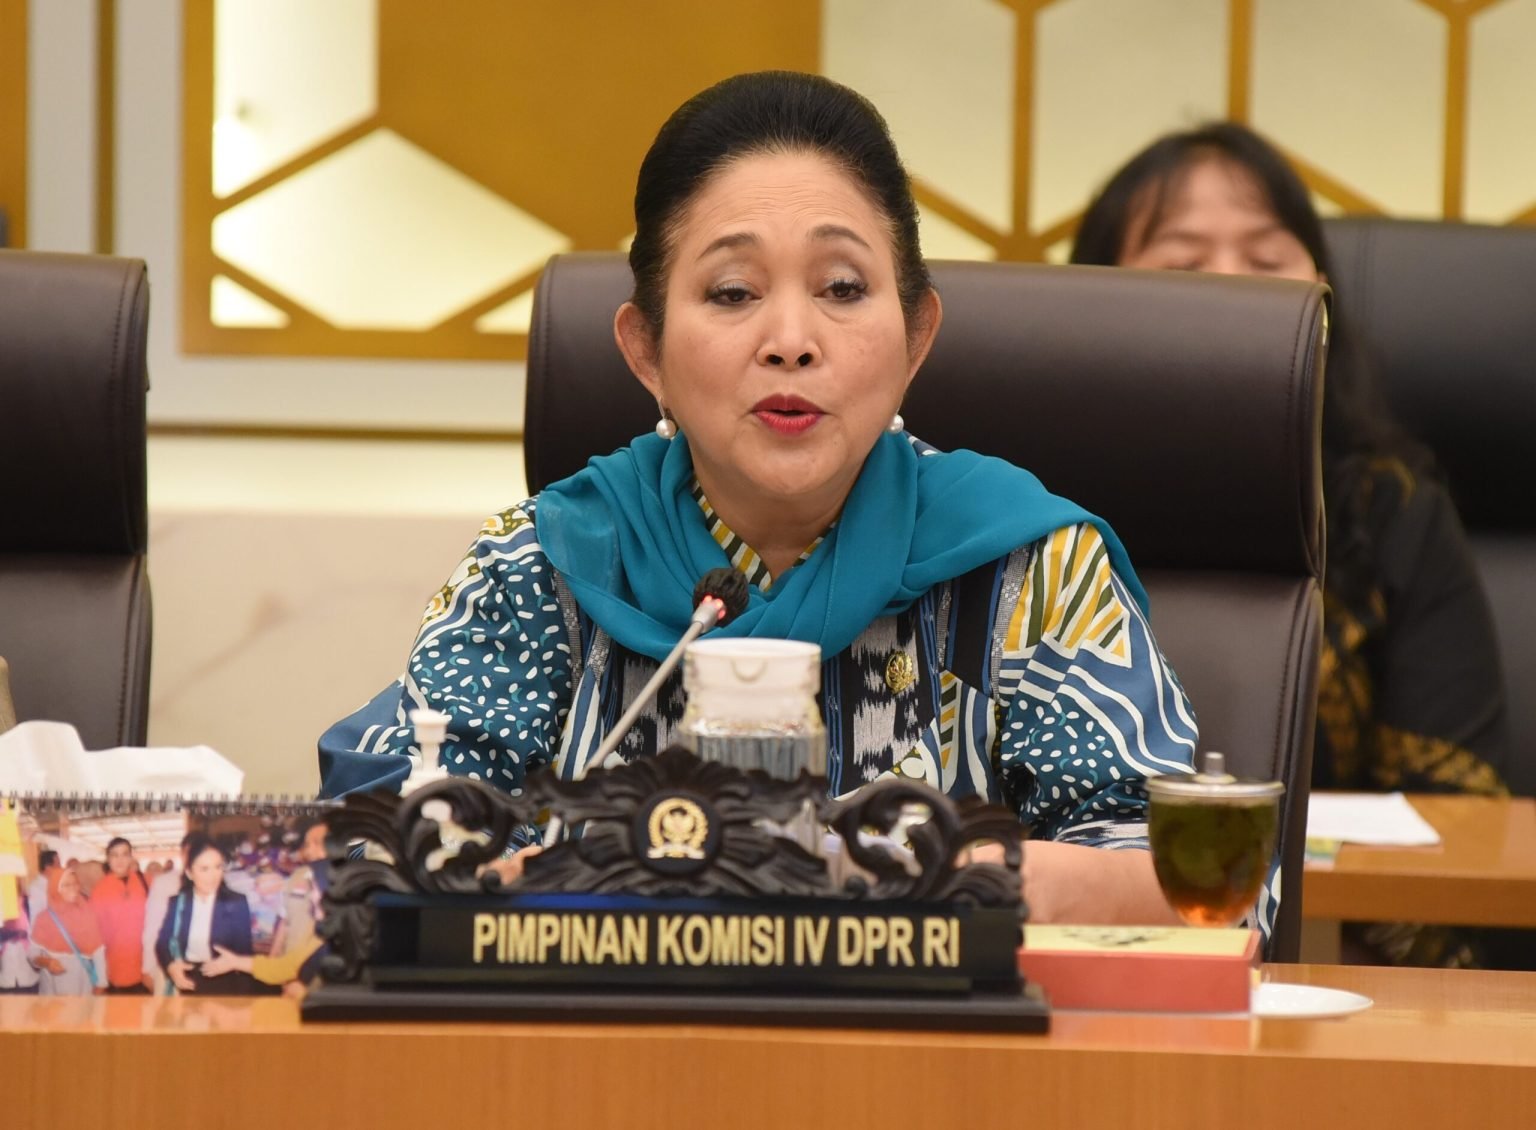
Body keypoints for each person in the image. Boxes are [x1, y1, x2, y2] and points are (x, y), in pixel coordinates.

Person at [320, 72, 1234, 937]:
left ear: (916, 338)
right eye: (733, 293)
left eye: (842, 289)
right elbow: (377, 844)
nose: (791, 340)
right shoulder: (547, 563)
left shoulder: (1027, 567)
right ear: (646, 352)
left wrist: (949, 885)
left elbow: (1189, 878)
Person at [1072, 122, 1512, 966]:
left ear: (1321, 297)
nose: (1234, 288)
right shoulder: (1024, 515)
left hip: (1343, 962)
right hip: (1071, 950)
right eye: (1185, 263)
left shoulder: (1391, 509)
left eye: (1267, 258)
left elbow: (1460, 812)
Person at [155, 835, 264, 996]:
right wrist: (171, 966)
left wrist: (241, 1004)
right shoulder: (178, 903)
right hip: (188, 982)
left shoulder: (236, 903)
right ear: (189, 873)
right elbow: (162, 943)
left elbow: (245, 956)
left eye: (218, 867)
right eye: (204, 869)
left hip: (226, 985)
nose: (213, 876)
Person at [27, 868, 106, 995]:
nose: (73, 888)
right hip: (52, 987)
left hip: (83, 984)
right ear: (55, 888)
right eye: (67, 885)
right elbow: (32, 955)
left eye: (75, 883)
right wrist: (47, 962)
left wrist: (101, 983)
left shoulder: (87, 914)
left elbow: (98, 951)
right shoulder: (44, 918)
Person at [90, 836, 150, 994]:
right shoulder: (99, 891)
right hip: (114, 967)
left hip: (144, 966)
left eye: (124, 854)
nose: (120, 860)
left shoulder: (144, 881)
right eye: (114, 855)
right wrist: (101, 974)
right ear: (108, 859)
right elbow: (95, 934)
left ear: (131, 857)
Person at [269, 819, 327, 960]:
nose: (310, 849)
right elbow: (284, 920)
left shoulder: (345, 879)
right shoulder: (298, 876)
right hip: (291, 962)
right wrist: (273, 956)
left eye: (318, 843)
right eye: (308, 844)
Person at [26, 849, 59, 920]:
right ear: (48, 868)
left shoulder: (54, 884)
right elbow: (35, 916)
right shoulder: (36, 888)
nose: (60, 868)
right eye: (58, 864)